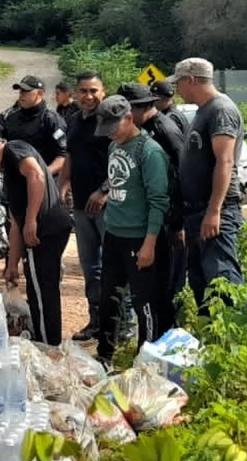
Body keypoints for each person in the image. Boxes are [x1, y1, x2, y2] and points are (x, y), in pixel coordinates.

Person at [0, 131, 73, 345]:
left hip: (45, 229)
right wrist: (12, 264)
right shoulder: (8, 171)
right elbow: (15, 225)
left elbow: (37, 175)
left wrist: (32, 219)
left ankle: (48, 345)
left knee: (43, 291)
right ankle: (44, 337)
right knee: (37, 288)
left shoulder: (12, 149)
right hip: (43, 229)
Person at [93, 95, 170, 363]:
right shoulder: (116, 147)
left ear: (128, 118)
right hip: (114, 234)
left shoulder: (149, 152)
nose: (110, 135)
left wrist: (149, 243)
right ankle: (105, 356)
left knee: (144, 303)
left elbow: (158, 201)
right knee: (109, 299)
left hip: (140, 238)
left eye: (113, 128)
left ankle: (145, 359)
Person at [170, 57, 245, 309]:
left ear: (191, 79)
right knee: (201, 280)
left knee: (221, 277)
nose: (177, 90)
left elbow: (224, 161)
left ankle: (233, 337)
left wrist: (214, 211)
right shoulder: (204, 110)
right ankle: (211, 340)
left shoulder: (220, 110)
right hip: (197, 209)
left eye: (178, 83)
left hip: (215, 209)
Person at [118, 83, 186, 320]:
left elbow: (180, 177)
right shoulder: (143, 128)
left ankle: (163, 334)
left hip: (167, 217)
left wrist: (177, 223)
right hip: (151, 215)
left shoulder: (164, 130)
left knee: (162, 285)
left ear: (140, 107)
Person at [58, 71, 110, 341]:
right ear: (76, 93)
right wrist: (62, 185)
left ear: (104, 91)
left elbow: (123, 159)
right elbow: (70, 155)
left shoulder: (111, 120)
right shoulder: (74, 120)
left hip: (108, 206)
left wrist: (105, 191)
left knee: (113, 266)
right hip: (80, 204)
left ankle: (119, 327)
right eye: (83, 91)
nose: (88, 96)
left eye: (93, 91)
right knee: (90, 267)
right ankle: (95, 322)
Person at [0, 75, 67, 177]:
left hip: (42, 183)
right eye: (20, 91)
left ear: (40, 93)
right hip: (14, 182)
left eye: (26, 91)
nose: (21, 95)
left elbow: (63, 156)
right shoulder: (11, 118)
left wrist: (42, 175)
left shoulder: (52, 120)